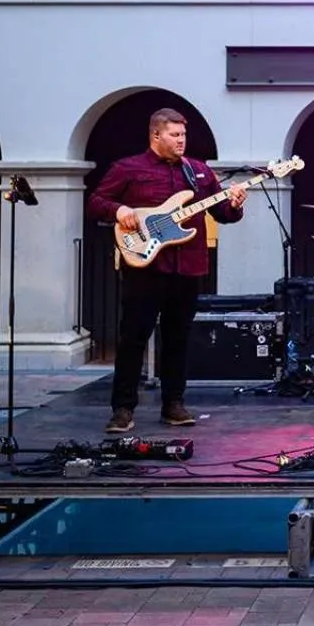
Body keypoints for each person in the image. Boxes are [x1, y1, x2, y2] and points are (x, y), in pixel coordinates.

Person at [88, 108, 247, 433]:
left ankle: (173, 404)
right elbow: (96, 202)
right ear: (156, 135)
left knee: (178, 339)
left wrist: (236, 203)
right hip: (145, 265)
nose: (181, 141)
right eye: (175, 135)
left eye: (183, 135)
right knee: (133, 338)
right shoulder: (129, 168)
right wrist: (120, 210)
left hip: (187, 266)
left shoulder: (199, 171)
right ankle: (122, 409)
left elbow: (222, 214)